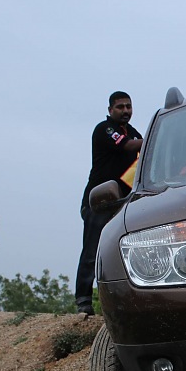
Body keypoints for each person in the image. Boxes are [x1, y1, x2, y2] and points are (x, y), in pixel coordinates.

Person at [75, 91, 143, 314]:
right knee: (92, 252)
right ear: (110, 110)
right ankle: (83, 301)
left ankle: (122, 303)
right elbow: (128, 147)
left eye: (128, 107)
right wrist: (158, 136)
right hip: (98, 202)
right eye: (120, 107)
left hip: (122, 204)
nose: (125, 111)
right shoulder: (105, 130)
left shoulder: (133, 133)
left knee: (122, 253)